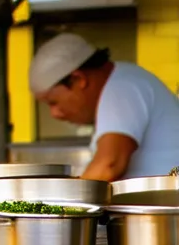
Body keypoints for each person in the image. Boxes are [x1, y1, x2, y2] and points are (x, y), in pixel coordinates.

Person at [29, 32, 179, 181]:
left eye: (53, 102)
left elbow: (109, 165)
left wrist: (67, 197)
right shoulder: (124, 79)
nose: (55, 114)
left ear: (78, 79)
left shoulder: (121, 88)